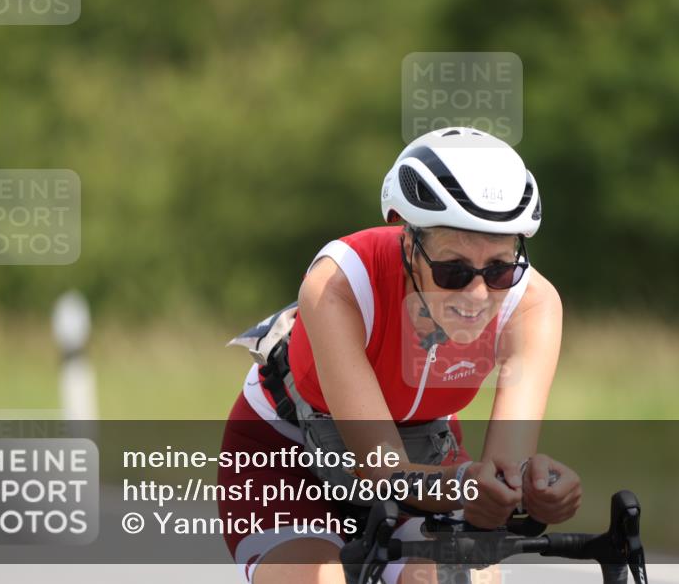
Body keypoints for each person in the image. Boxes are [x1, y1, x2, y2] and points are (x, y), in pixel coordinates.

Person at [219, 127, 581, 584]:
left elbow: (502, 474)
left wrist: (529, 491)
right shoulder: (339, 283)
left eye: (500, 268)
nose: (476, 294)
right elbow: (381, 470)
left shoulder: (531, 305)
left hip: (426, 451)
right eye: (453, 271)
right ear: (409, 243)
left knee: (458, 578)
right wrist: (471, 484)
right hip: (287, 453)